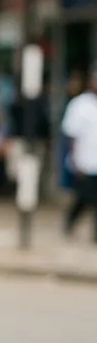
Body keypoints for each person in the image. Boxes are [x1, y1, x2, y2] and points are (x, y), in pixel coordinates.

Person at [62, 64, 97, 243]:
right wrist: (75, 160)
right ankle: (69, 222)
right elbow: (71, 135)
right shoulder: (80, 104)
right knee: (84, 198)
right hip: (86, 162)